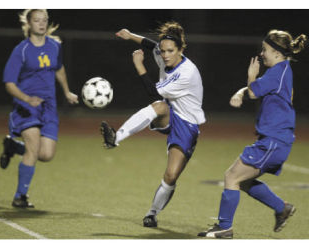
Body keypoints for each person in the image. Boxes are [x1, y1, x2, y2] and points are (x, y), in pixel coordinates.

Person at [198, 29, 307, 239]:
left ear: (276, 52)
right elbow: (254, 91)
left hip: (273, 142)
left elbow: (254, 91)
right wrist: (242, 91)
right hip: (275, 141)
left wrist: (250, 78)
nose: (262, 53)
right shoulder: (282, 71)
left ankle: (224, 227)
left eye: (265, 49)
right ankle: (281, 208)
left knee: (231, 176)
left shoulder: (277, 73)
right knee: (244, 181)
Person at [100, 22, 206, 227]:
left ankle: (152, 213)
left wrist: (139, 65)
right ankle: (116, 138)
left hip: (187, 125)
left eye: (170, 51)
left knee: (171, 175)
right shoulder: (162, 52)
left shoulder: (186, 73)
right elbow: (151, 45)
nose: (165, 55)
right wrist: (130, 35)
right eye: (163, 50)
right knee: (159, 107)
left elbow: (153, 92)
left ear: (181, 50)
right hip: (169, 112)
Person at [0, 9, 78, 208]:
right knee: (33, 149)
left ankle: (14, 147)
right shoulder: (21, 50)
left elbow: (59, 68)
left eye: (44, 20)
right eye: (37, 20)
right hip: (26, 106)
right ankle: (20, 197)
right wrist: (27, 98)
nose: (42, 24)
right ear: (29, 23)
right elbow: (9, 83)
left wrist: (67, 92)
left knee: (46, 154)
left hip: (48, 107)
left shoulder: (54, 46)